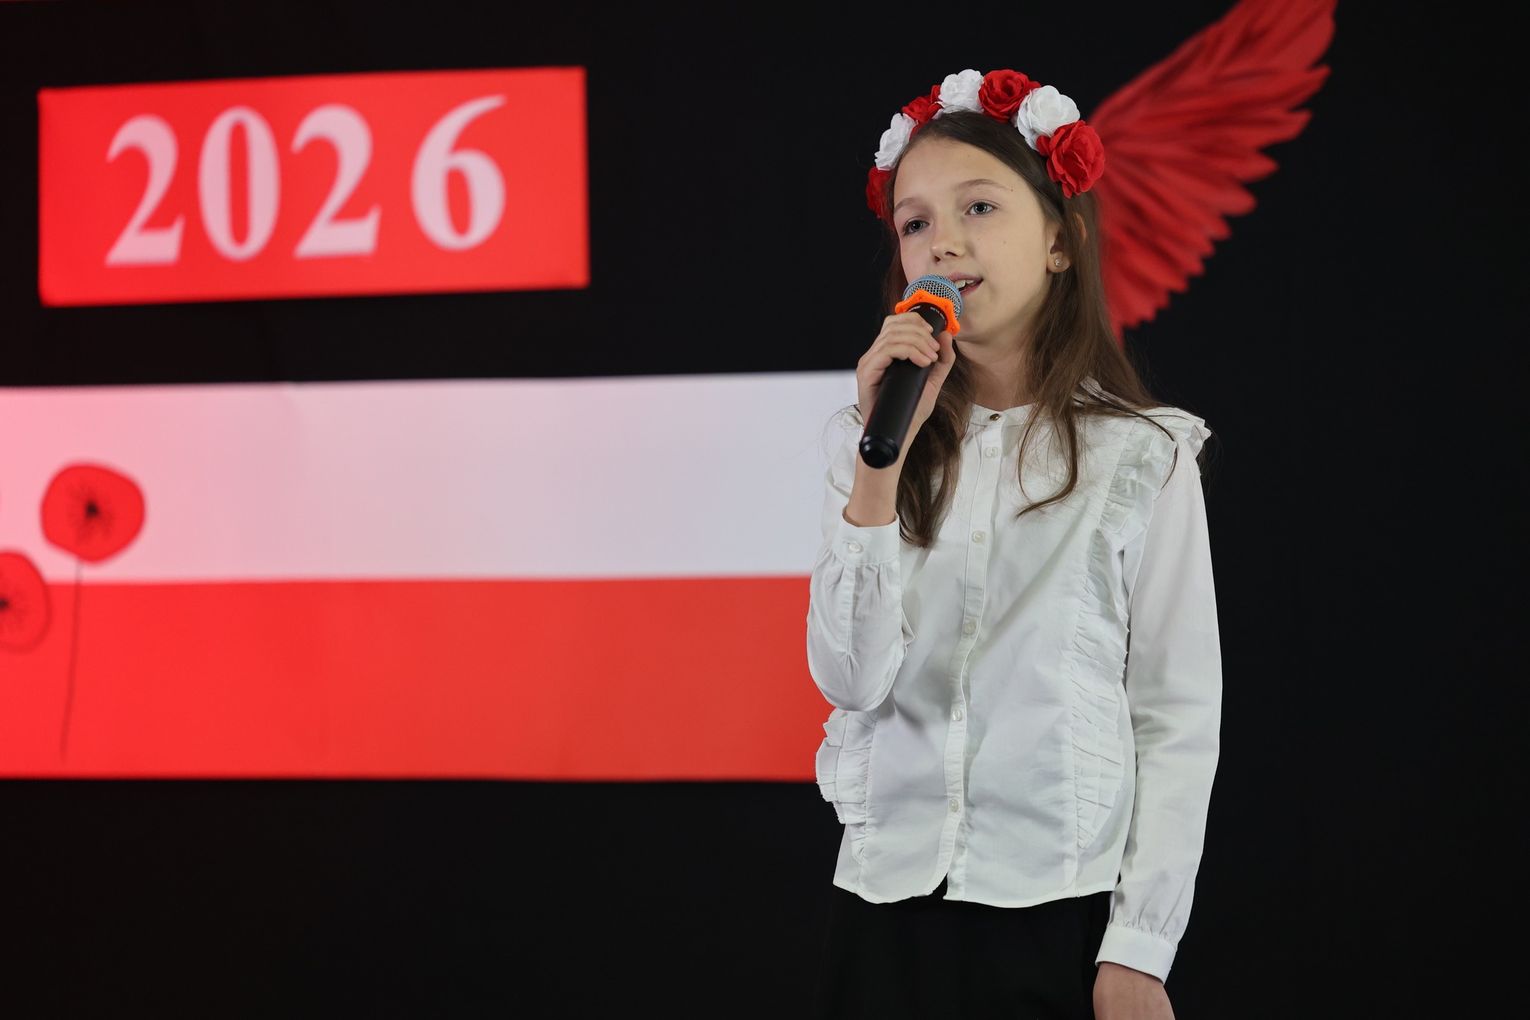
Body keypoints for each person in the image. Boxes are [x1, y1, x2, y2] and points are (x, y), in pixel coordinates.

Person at [807, 69, 1221, 1020]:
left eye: (979, 207)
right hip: (885, 910)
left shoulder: (1143, 456)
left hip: (1056, 912)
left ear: (1060, 240)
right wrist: (879, 463)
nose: (943, 242)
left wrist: (1140, 947)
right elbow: (850, 680)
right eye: (915, 222)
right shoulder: (866, 442)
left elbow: (1176, 714)